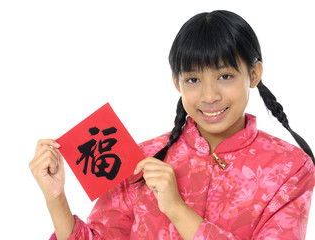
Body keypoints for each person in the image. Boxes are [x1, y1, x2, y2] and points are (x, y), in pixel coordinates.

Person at [29, 10, 315, 240]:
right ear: (177, 82)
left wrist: (177, 209)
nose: (209, 95)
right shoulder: (140, 159)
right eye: (193, 80)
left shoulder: (291, 168)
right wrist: (56, 199)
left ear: (254, 74)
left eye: (225, 76)